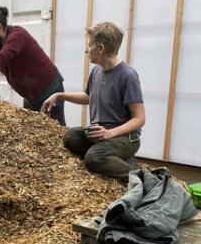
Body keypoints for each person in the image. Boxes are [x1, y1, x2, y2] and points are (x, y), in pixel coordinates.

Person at [41, 21, 145, 180]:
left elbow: (140, 118)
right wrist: (59, 95)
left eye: (89, 45)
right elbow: (89, 97)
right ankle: (114, 156)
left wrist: (110, 133)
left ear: (101, 48)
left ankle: (142, 177)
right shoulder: (97, 70)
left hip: (125, 137)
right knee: (70, 137)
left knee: (93, 158)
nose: (86, 50)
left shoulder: (128, 76)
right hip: (100, 133)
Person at [0, 6, 66, 125]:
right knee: (30, 130)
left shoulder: (17, 36)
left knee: (56, 130)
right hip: (31, 96)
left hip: (49, 91)